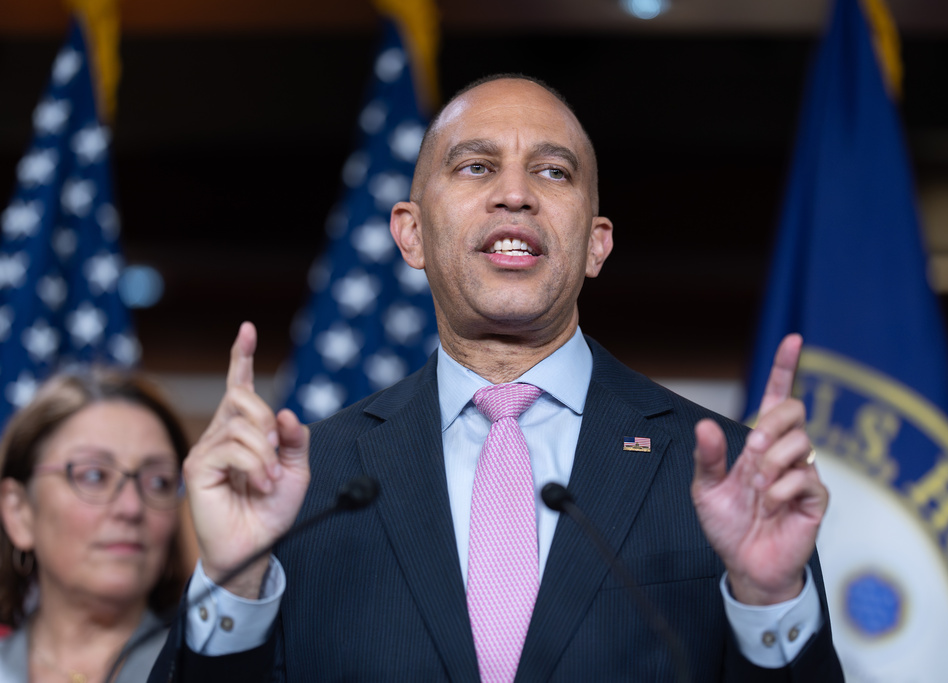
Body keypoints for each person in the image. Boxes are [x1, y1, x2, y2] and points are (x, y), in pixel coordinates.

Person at [150, 74, 844, 681]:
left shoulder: (718, 477)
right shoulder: (307, 485)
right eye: (476, 167)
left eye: (553, 172)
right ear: (411, 233)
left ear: (596, 243)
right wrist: (234, 584)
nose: (515, 194)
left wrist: (769, 600)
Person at [0, 369, 190, 682]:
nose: (131, 508)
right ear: (19, 511)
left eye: (158, 481)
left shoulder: (204, 670)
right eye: (94, 476)